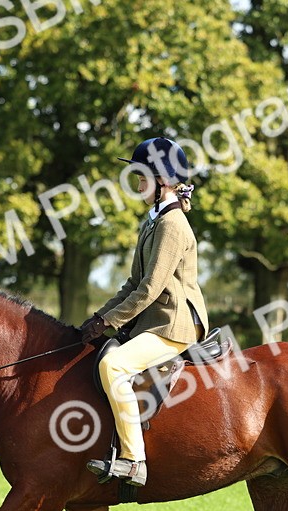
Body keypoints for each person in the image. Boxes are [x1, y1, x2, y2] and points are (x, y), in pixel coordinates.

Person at [79, 137, 209, 487]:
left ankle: (134, 461)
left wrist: (111, 322)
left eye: (141, 178)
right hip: (155, 318)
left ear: (162, 181)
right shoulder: (153, 219)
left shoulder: (172, 224)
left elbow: (151, 288)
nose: (136, 184)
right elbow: (132, 284)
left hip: (175, 323)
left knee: (113, 365)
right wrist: (98, 318)